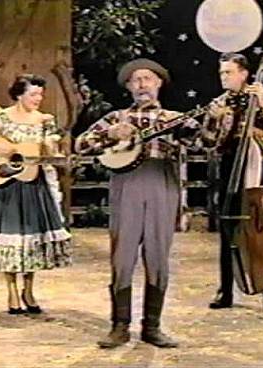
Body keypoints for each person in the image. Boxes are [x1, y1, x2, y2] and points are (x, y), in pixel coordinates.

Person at [76, 58, 199, 349]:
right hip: (126, 185)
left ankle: (152, 327)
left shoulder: (174, 117)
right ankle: (119, 326)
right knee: (123, 254)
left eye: (148, 78)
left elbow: (204, 142)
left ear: (159, 83)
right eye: (135, 80)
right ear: (129, 87)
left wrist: (202, 126)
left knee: (158, 255)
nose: (142, 84)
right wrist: (109, 134)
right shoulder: (116, 117)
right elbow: (80, 144)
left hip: (161, 182)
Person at [0, 74, 71, 314]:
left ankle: (28, 289)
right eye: (33, 94)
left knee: (30, 239)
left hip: (32, 185)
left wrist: (52, 148)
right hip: (3, 184)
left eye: (41, 94)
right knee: (8, 237)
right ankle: (11, 291)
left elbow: (51, 148)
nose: (38, 99)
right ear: (19, 94)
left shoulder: (44, 120)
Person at [201, 52, 263, 311]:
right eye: (221, 73)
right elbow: (206, 141)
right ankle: (226, 289)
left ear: (243, 73)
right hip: (230, 167)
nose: (223, 77)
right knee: (228, 227)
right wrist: (215, 120)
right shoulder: (219, 103)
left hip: (258, 167)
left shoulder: (261, 95)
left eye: (228, 72)